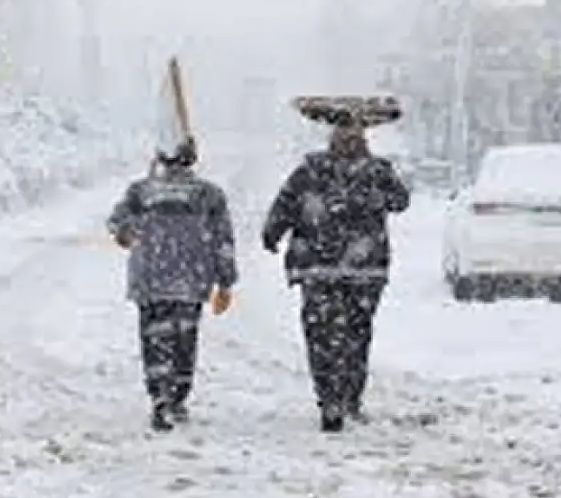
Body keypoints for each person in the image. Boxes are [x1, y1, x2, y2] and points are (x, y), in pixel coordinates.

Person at [260, 111, 410, 432]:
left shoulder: (311, 171)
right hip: (363, 269)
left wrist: (273, 233)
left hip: (319, 267)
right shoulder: (375, 172)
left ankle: (330, 398)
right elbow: (400, 200)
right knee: (356, 335)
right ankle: (348, 397)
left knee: (322, 336)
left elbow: (285, 205)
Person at [107, 137, 238, 432]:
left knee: (155, 339)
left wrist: (126, 234)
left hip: (151, 279)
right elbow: (223, 240)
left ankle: (160, 397)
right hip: (191, 280)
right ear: (192, 159)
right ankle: (177, 396)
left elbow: (117, 223)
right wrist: (225, 281)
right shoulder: (209, 194)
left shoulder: (140, 191)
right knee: (184, 341)